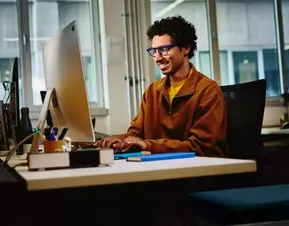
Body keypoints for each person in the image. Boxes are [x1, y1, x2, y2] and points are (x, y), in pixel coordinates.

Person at [94, 15, 228, 157]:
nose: (157, 58)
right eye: (154, 51)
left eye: (164, 49)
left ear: (185, 48)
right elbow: (136, 133)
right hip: (162, 167)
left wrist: (148, 145)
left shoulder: (208, 91)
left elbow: (200, 146)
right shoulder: (152, 91)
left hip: (201, 172)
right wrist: (119, 140)